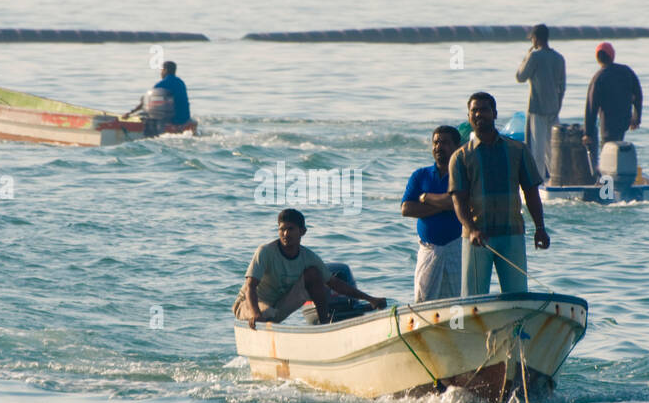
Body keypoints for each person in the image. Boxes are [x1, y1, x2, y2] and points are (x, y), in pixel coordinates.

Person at [448, 92, 550, 296]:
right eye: (474, 111)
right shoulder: (460, 157)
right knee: (473, 300)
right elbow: (458, 201)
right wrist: (472, 229)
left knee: (517, 296)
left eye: (484, 109)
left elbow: (531, 192)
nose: (479, 114)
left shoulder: (517, 150)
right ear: (469, 117)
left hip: (511, 234)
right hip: (477, 238)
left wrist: (540, 228)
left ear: (494, 113)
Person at [234, 209, 386, 328]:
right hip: (249, 304)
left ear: (302, 231)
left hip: (278, 306)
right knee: (265, 314)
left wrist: (370, 299)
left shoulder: (308, 257)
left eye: (291, 229)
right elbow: (250, 286)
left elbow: (335, 283)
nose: (286, 234)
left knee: (314, 274)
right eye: (282, 229)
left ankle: (324, 325)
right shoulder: (265, 252)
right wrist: (255, 313)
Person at [400, 126, 463, 301]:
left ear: (457, 146)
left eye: (444, 142)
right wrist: (446, 204)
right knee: (423, 303)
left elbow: (462, 202)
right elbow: (406, 209)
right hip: (428, 249)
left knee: (456, 303)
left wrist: (426, 198)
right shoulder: (421, 175)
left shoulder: (463, 173)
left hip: (457, 248)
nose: (438, 147)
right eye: (435, 142)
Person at [514, 23, 566, 181]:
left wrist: (526, 57)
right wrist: (558, 106)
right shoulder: (559, 58)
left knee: (537, 150)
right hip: (554, 109)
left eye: (532, 39)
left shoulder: (534, 56)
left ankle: (539, 182)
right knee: (553, 149)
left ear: (536, 39)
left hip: (537, 109)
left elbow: (520, 77)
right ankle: (556, 180)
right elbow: (562, 87)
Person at [584, 41, 643, 172]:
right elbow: (638, 95)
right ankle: (616, 173)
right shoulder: (626, 71)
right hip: (624, 120)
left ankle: (607, 179)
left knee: (607, 149)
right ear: (612, 56)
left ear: (597, 59)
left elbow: (591, 107)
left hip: (608, 122)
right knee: (617, 146)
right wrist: (636, 118)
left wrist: (588, 133)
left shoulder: (599, 77)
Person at [125, 60, 191, 128]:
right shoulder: (181, 83)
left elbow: (145, 103)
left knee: (143, 113)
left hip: (173, 121)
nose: (161, 73)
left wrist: (130, 113)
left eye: (161, 70)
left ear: (165, 70)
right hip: (185, 119)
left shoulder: (161, 84)